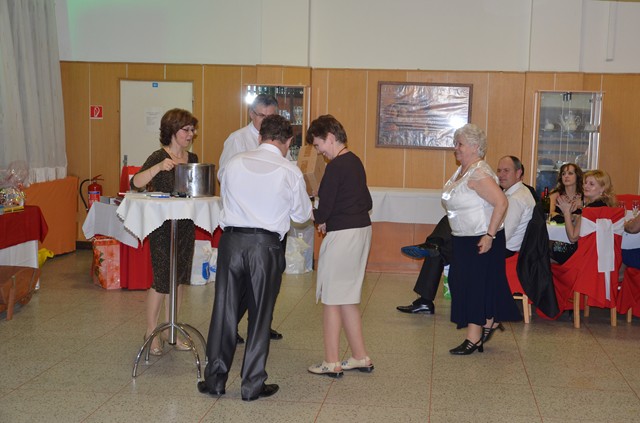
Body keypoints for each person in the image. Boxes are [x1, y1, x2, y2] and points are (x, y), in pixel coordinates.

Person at [198, 114, 312, 401]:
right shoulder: (290, 171)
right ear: (288, 141)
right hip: (265, 246)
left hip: (232, 242)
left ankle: (215, 380)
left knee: (224, 310)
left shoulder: (233, 163)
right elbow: (302, 216)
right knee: (260, 314)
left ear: (260, 137)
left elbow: (226, 195)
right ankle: (251, 384)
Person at [396, 155, 536, 316]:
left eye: (506, 171)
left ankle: (426, 295)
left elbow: (504, 233)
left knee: (440, 247)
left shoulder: (517, 198)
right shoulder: (512, 193)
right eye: (499, 171)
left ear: (518, 173)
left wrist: (476, 230)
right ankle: (433, 246)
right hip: (494, 240)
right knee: (452, 219)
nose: (501, 175)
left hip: (500, 248)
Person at [441, 124, 521, 355]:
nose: (456, 148)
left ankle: (474, 338)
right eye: (456, 143)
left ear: (475, 147)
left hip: (480, 238)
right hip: (464, 238)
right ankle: (489, 321)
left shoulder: (479, 172)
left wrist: (489, 235)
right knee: (463, 284)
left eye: (460, 144)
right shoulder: (463, 171)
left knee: (473, 287)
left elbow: (502, 202)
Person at [306, 115, 374, 377]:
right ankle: (360, 356)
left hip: (343, 237)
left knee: (332, 299)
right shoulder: (355, 161)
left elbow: (323, 212)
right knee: (347, 297)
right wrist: (328, 215)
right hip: (361, 232)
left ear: (331, 138)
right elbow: (366, 202)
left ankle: (331, 361)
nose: (318, 151)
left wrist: (312, 211)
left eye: (318, 144)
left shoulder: (335, 167)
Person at [130, 108, 198, 356]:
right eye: (186, 129)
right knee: (162, 279)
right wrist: (158, 167)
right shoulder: (159, 156)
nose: (190, 134)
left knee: (178, 279)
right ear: (172, 130)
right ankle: (151, 332)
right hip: (162, 226)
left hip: (185, 225)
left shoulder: (192, 158)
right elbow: (135, 183)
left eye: (192, 130)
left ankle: (172, 330)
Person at [218, 93, 284, 342]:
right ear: (251, 114)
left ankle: (262, 324)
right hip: (247, 222)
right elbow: (224, 175)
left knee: (272, 279)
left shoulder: (279, 141)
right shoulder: (237, 139)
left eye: (271, 116)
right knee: (244, 282)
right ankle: (231, 326)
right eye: (261, 116)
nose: (266, 121)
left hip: (272, 222)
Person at [555, 169, 617, 254]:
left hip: (582, 254)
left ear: (602, 188)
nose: (586, 186)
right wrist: (576, 217)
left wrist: (566, 212)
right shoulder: (606, 206)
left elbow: (573, 237)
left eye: (591, 184)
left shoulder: (590, 209)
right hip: (599, 253)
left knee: (545, 247)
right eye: (585, 183)